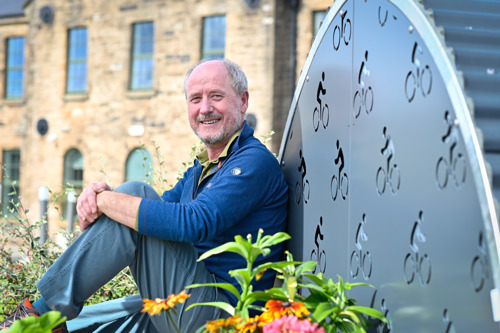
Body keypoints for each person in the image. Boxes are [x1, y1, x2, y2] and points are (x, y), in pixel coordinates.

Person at [0, 59, 288, 332]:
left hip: (222, 318)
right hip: (191, 301)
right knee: (87, 321)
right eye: (195, 99)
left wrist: (103, 201)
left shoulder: (253, 162)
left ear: (243, 101)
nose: (205, 108)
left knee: (135, 193)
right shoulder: (203, 168)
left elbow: (193, 222)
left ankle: (36, 316)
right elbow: (156, 214)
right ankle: (44, 315)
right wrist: (109, 202)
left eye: (216, 96)